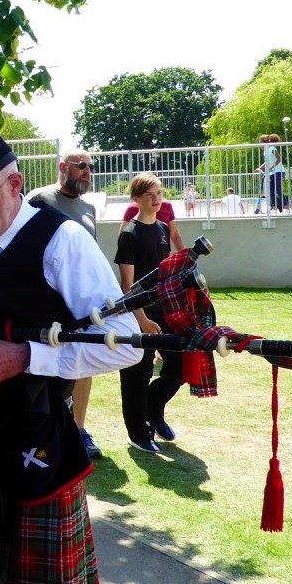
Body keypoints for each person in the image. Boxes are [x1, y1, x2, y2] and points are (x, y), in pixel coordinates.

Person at [0, 132, 140, 584]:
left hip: (38, 447)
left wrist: (29, 357)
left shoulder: (61, 240)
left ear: (16, 184)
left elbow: (126, 343)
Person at [28, 149, 104, 459]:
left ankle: (79, 429)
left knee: (84, 360)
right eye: (80, 165)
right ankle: (44, 429)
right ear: (63, 167)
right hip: (45, 300)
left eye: (90, 167)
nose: (87, 171)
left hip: (80, 302)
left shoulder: (88, 208)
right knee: (47, 365)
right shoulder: (40, 199)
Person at [115, 172, 180, 454]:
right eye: (150, 195)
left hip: (163, 309)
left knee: (179, 364)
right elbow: (127, 285)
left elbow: (165, 274)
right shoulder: (130, 234)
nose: (156, 199)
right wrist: (142, 319)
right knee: (137, 372)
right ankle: (138, 433)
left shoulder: (163, 229)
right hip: (137, 313)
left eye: (159, 193)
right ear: (136, 199)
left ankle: (153, 408)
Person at [257, 134, 286, 214]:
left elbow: (278, 159)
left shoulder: (272, 148)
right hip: (272, 172)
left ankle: (286, 206)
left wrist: (272, 167)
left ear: (265, 142)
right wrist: (260, 168)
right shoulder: (265, 152)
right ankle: (274, 207)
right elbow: (267, 162)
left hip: (278, 171)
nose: (260, 145)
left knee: (278, 189)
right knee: (271, 190)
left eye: (260, 143)